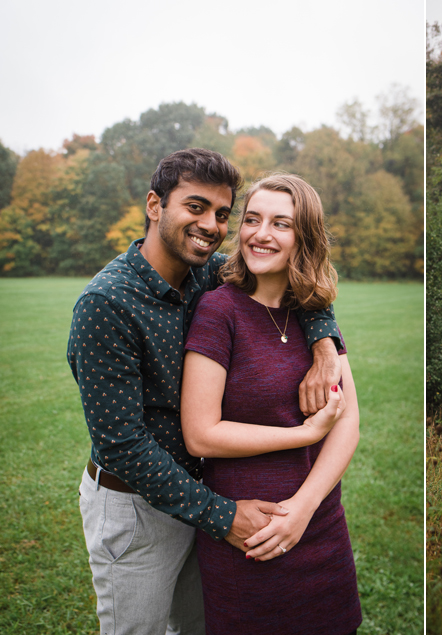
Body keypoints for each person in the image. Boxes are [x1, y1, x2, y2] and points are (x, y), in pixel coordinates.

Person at [67, 149, 343, 635]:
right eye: (195, 207)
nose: (211, 225)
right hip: (136, 509)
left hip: (203, 493)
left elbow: (293, 282)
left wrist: (324, 344)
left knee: (198, 627)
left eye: (221, 214)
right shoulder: (105, 304)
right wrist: (222, 515)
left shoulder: (208, 271)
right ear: (156, 205)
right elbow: (121, 444)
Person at [180, 173, 362, 634]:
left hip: (319, 526)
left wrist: (303, 508)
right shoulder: (220, 310)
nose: (260, 234)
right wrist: (302, 434)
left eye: (281, 223)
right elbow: (201, 432)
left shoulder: (315, 315)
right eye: (252, 219)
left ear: (305, 237)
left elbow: (348, 425)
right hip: (247, 533)